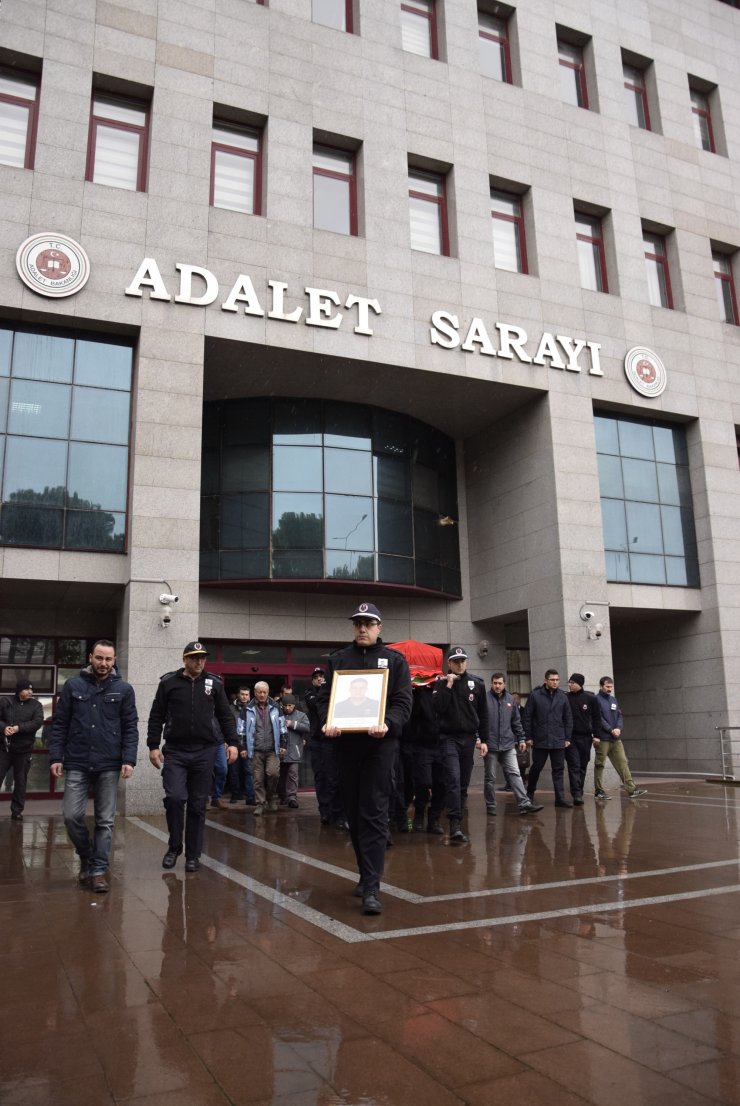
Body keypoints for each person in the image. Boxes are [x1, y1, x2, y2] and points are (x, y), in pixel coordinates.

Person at [317, 602, 412, 916]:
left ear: (379, 627)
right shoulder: (338, 660)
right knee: (354, 814)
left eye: (368, 623)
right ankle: (365, 871)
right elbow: (323, 699)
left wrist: (388, 723)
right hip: (345, 746)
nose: (362, 628)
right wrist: (325, 722)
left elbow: (402, 702)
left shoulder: (396, 662)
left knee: (374, 811)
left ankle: (372, 886)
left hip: (379, 747)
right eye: (358, 623)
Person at [49, 640, 138, 892]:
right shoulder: (73, 686)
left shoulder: (124, 689)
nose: (103, 663)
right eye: (99, 658)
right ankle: (87, 855)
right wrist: (56, 756)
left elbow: (130, 727)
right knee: (71, 816)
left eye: (108, 659)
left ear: (114, 661)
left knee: (105, 821)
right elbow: (60, 724)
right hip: (77, 760)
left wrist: (128, 759)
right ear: (90, 657)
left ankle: (98, 870)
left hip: (109, 764)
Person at [147, 641, 238, 871]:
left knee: (198, 805)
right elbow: (156, 715)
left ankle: (192, 855)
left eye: (203, 658)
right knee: (175, 798)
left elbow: (226, 715)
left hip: (204, 752)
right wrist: (153, 745)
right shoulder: (169, 682)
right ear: (184, 659)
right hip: (176, 751)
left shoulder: (214, 683)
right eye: (194, 657)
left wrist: (233, 743)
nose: (199, 662)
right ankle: (174, 846)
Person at [433, 647, 489, 844]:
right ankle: (455, 823)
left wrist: (484, 740)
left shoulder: (477, 684)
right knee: (453, 779)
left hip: (468, 739)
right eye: (456, 661)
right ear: (449, 663)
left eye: (463, 660)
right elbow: (438, 708)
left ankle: (457, 819)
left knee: (463, 783)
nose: (460, 664)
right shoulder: (440, 684)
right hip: (448, 738)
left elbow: (483, 715)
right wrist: (448, 684)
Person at [482, 673, 543, 816]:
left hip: (508, 745)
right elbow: (479, 721)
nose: (497, 686)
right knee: (490, 777)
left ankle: (524, 803)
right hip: (490, 745)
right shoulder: (484, 699)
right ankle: (491, 805)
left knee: (515, 774)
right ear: (491, 683)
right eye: (495, 683)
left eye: (500, 683)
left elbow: (516, 721)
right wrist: (480, 739)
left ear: (504, 684)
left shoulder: (510, 699)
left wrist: (521, 739)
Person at [522, 669, 574, 808]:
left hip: (558, 739)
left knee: (558, 769)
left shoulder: (563, 697)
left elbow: (568, 718)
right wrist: (528, 737)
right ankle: (530, 794)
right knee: (536, 768)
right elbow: (527, 717)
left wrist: (567, 737)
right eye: (552, 680)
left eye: (557, 680)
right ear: (546, 681)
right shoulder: (535, 695)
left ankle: (560, 798)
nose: (555, 682)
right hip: (540, 739)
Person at [305, 667, 346, 828]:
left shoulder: (333, 693)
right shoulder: (310, 693)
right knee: (320, 777)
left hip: (332, 741)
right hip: (317, 742)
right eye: (316, 677)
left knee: (333, 777)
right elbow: (315, 704)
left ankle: (337, 812)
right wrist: (324, 688)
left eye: (322, 676)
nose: (319, 679)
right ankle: (325, 811)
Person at [594, 676, 647, 799]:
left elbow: (619, 715)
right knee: (600, 765)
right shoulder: (596, 700)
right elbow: (598, 718)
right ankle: (599, 791)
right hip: (603, 738)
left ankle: (632, 790)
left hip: (615, 739)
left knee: (623, 763)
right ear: (601, 686)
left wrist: (618, 728)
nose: (609, 689)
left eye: (611, 687)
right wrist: (610, 729)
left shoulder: (613, 700)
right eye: (607, 687)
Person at [0, 679, 44, 821]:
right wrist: (3, 728)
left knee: (20, 782)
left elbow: (37, 722)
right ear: (19, 690)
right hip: (4, 749)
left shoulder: (36, 705)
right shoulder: (6, 702)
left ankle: (17, 811)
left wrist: (19, 728)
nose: (30, 692)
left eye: (31, 689)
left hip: (24, 750)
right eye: (27, 689)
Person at [242, 681, 286, 815]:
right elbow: (241, 730)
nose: (262, 695)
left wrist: (283, 745)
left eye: (264, 692)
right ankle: (260, 803)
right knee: (257, 778)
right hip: (255, 750)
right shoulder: (247, 709)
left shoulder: (276, 707)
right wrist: (243, 747)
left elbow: (283, 727)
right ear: (255, 693)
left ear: (268, 692)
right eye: (259, 692)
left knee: (273, 774)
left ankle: (271, 797)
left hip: (273, 749)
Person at [566, 673, 603, 803]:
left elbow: (597, 718)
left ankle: (579, 791)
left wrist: (597, 735)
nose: (569, 685)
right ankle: (576, 793)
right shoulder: (566, 698)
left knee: (582, 765)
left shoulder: (590, 698)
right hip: (571, 738)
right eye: (569, 682)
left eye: (572, 682)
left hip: (586, 738)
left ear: (579, 684)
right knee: (574, 765)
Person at [279, 694, 309, 808]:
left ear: (294, 705)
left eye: (290, 705)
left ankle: (292, 797)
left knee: (293, 774)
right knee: (280, 775)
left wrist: (292, 724)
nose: (287, 708)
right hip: (280, 750)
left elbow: (307, 727)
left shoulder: (301, 715)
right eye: (285, 705)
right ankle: (283, 796)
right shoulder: (278, 714)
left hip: (294, 751)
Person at [229, 686, 255, 804]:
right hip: (234, 743)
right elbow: (227, 726)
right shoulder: (230, 709)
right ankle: (235, 794)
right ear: (238, 695)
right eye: (242, 694)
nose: (244, 696)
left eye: (246, 694)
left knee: (249, 771)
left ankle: (250, 797)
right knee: (234, 771)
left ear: (249, 696)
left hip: (248, 744)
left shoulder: (253, 709)